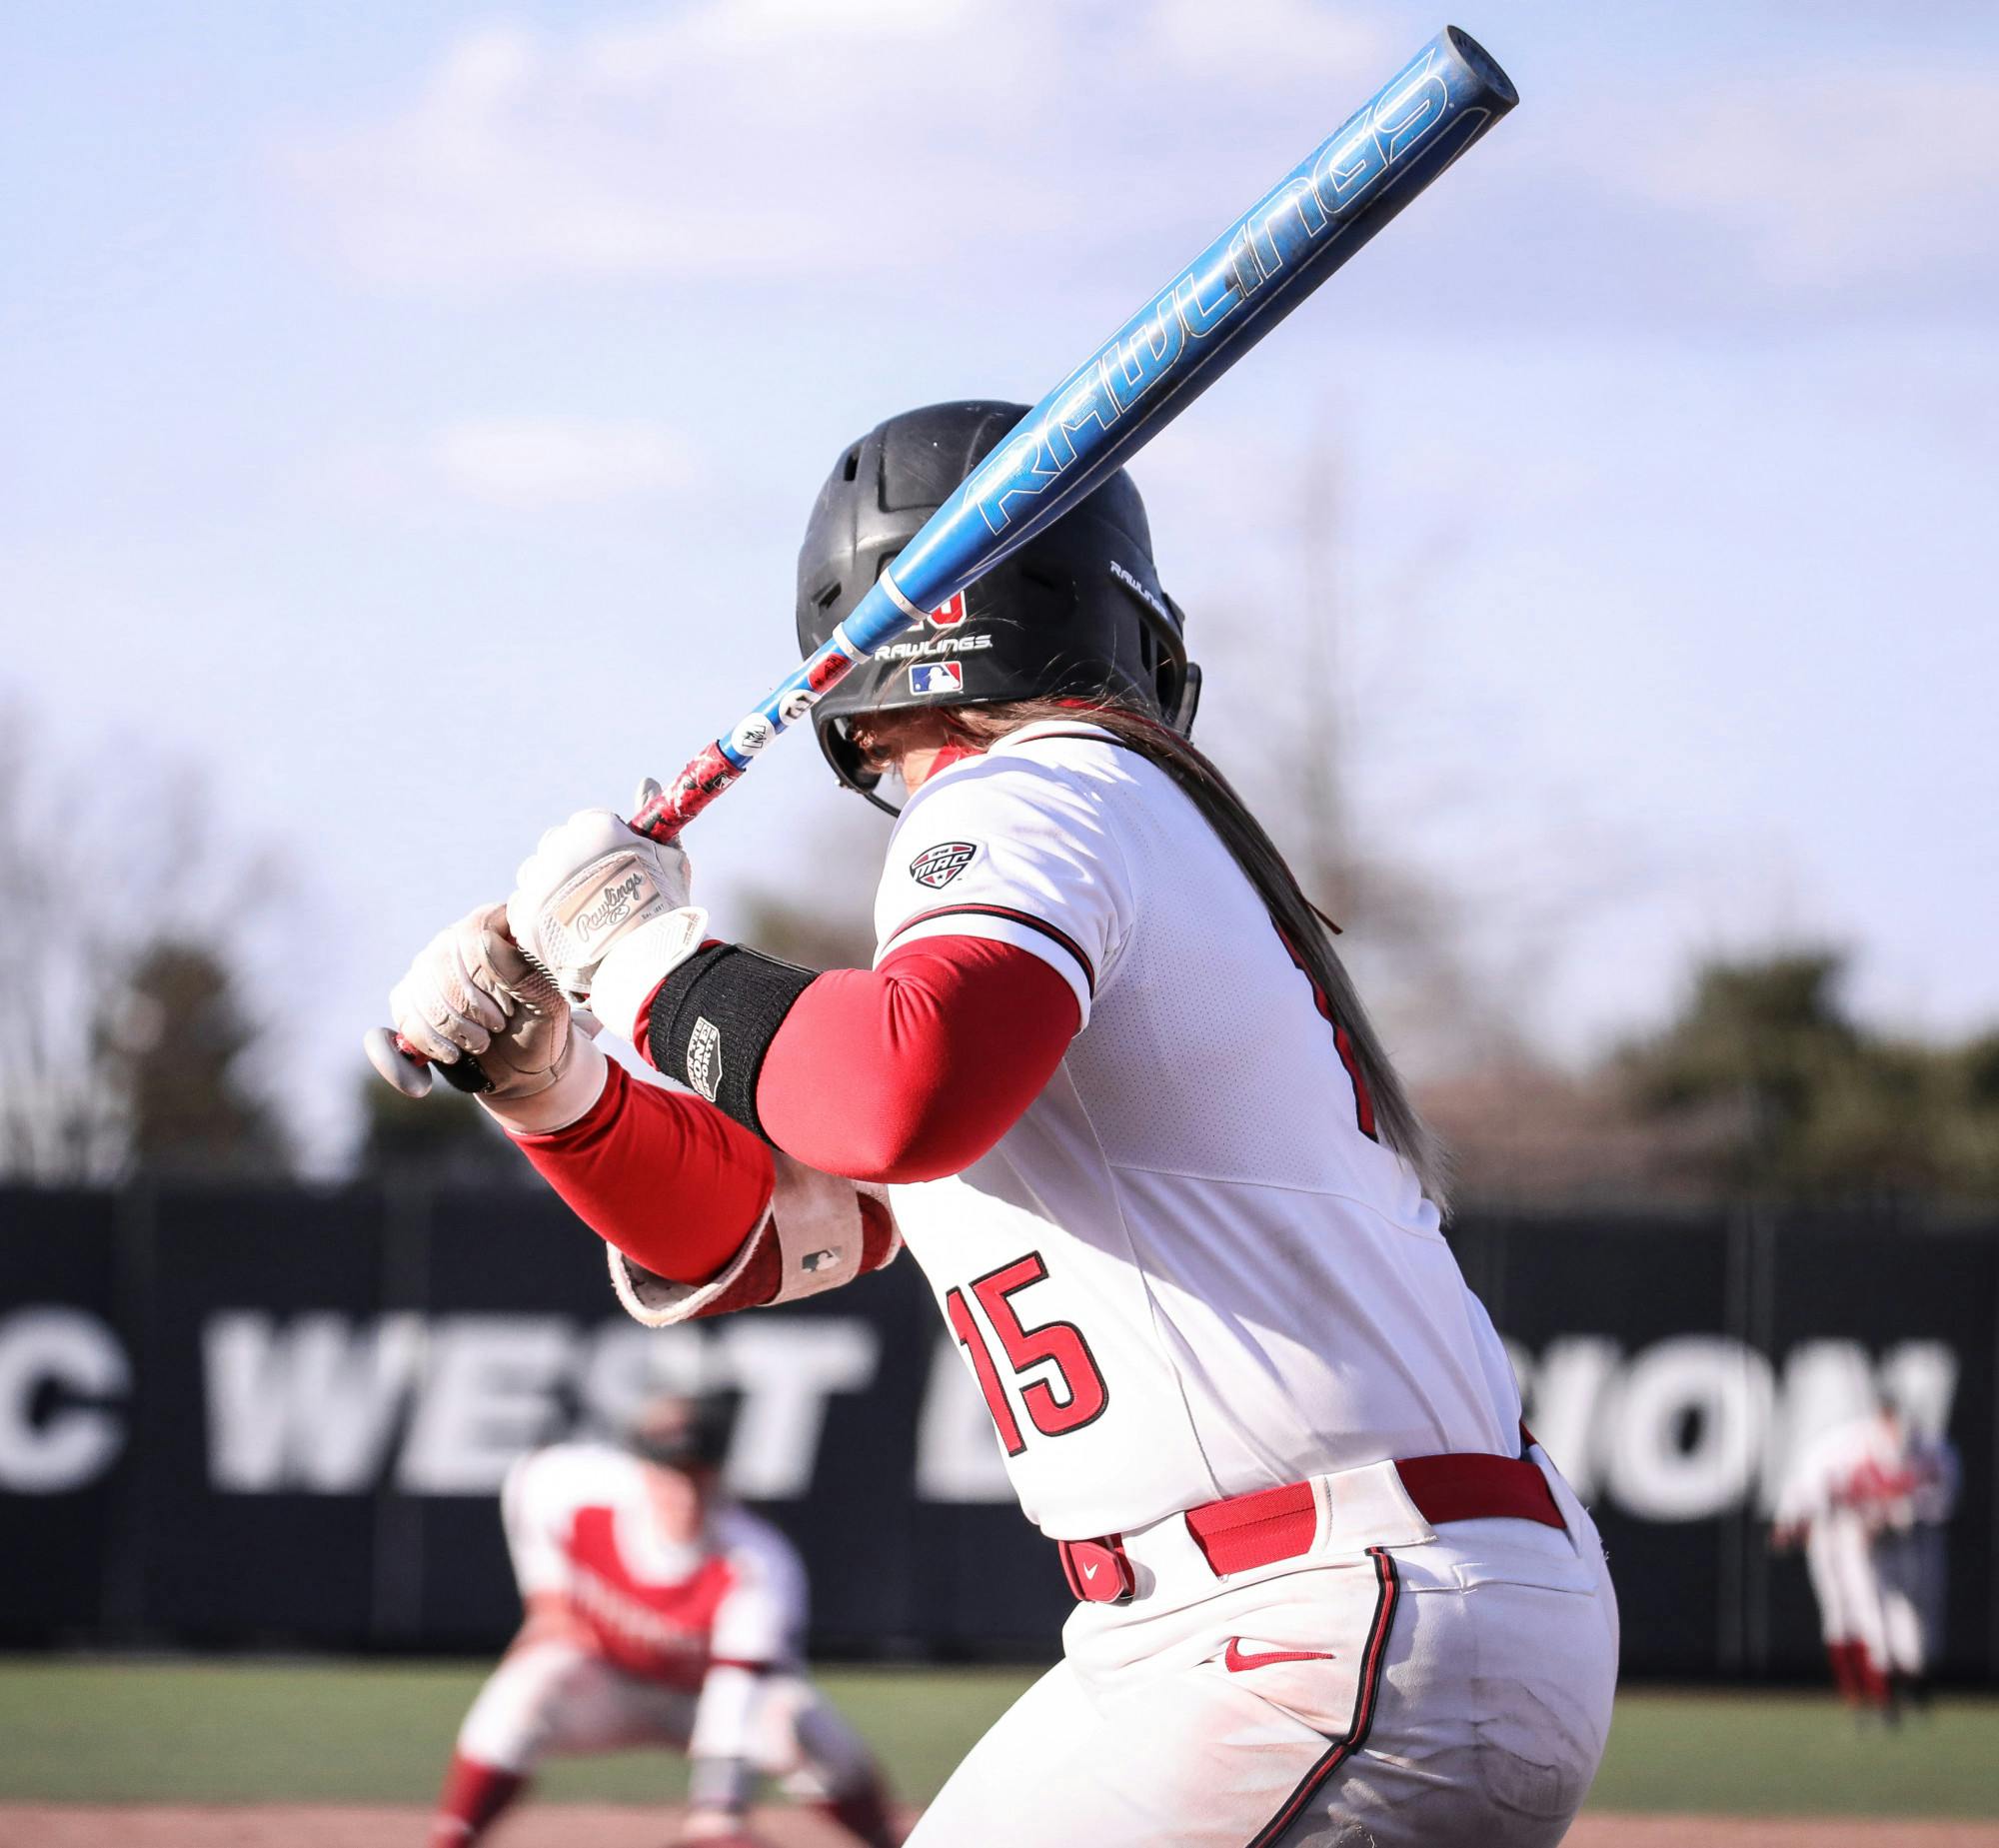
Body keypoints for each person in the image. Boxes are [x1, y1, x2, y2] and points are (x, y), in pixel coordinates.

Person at [390, 400, 1620, 1846]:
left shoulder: (1043, 782)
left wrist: (639, 958)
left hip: (1316, 1609)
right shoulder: (1099, 827)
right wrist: (557, 1085)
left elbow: (901, 1087)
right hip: (1314, 1607)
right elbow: (755, 1230)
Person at [430, 1392, 904, 1848]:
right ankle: (450, 1839)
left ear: (719, 1475)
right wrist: (546, 1594)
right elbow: (525, 1481)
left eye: (698, 1475)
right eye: (669, 1472)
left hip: (710, 1703)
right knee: (529, 1682)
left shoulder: (756, 1561)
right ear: (641, 1468)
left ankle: (892, 1841)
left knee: (793, 1716)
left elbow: (735, 1691)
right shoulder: (575, 1485)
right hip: (610, 1683)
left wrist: (716, 1814)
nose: (684, 1492)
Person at [1772, 1402, 1932, 1720]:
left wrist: (1881, 1521)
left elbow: (1903, 1500)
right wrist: (1790, 1521)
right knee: (1840, 1614)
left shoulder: (1903, 1449)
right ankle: (1861, 1692)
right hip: (1833, 1532)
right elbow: (1807, 1491)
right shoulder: (1843, 1449)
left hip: (1867, 1534)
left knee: (1873, 1610)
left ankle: (1885, 1690)